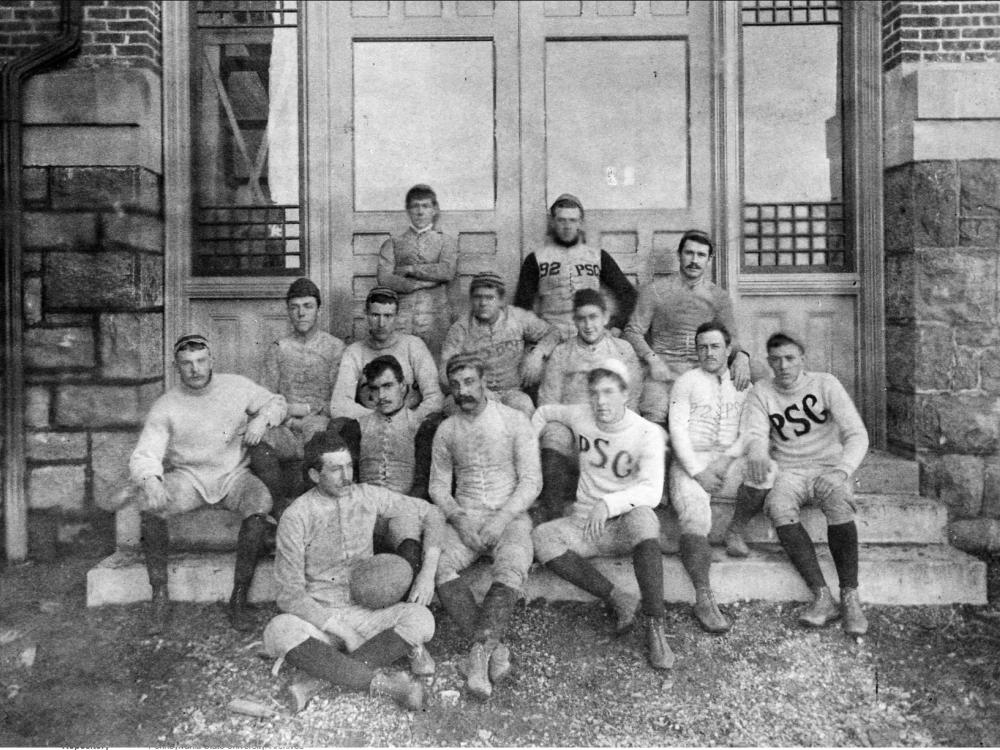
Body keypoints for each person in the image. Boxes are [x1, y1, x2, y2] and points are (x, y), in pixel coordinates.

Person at [262, 432, 444, 713]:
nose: (347, 476)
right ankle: (388, 686)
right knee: (279, 631)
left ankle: (316, 681)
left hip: (366, 611)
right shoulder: (296, 516)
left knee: (421, 619)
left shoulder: (367, 495)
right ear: (314, 474)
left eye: (349, 467)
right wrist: (343, 631)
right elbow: (290, 596)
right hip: (322, 616)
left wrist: (427, 573)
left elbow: (432, 513)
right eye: (336, 469)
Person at [129, 334, 287, 633]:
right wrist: (150, 479)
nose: (195, 369)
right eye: (187, 364)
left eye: (201, 361)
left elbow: (277, 402)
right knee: (150, 506)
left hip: (234, 475)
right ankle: (159, 596)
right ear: (177, 367)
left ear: (211, 360)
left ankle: (239, 596)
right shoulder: (167, 405)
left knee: (259, 504)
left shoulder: (235, 386)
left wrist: (262, 419)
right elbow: (146, 452)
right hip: (190, 477)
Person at [531, 360, 673, 670]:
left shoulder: (646, 432)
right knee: (542, 538)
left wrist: (610, 504)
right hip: (585, 524)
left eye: (609, 392)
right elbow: (544, 413)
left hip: (623, 524)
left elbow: (651, 491)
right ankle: (617, 598)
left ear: (625, 393)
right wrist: (531, 441)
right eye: (594, 393)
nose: (601, 401)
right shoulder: (582, 414)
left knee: (646, 518)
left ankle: (655, 625)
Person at [742, 332, 870, 635]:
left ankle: (850, 597)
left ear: (803, 359)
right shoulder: (761, 391)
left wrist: (841, 471)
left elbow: (857, 434)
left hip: (828, 466)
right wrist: (758, 451)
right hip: (791, 470)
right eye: (776, 360)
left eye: (790, 358)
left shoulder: (825, 383)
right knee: (777, 505)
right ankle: (822, 596)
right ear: (769, 362)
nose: (783, 366)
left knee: (839, 501)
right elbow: (756, 433)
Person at [430, 354, 541, 699]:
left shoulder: (513, 420)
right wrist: (460, 519)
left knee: (511, 565)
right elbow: (438, 485)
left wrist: (503, 519)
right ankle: (494, 648)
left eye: (469, 382)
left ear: (484, 382)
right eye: (456, 385)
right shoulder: (447, 429)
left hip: (508, 516)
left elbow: (531, 482)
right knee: (439, 565)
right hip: (467, 518)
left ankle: (477, 657)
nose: (463, 391)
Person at [667, 321, 776, 634]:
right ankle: (704, 596)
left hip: (729, 459)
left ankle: (735, 530)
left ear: (729, 350)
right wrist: (699, 472)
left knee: (766, 470)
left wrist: (726, 462)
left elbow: (750, 431)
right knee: (694, 518)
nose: (708, 352)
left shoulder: (742, 382)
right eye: (702, 346)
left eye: (715, 346)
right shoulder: (686, 381)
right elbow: (677, 432)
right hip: (694, 461)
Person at [534, 288, 643, 522]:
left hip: (608, 424)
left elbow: (632, 399)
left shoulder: (622, 349)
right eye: (581, 318)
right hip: (571, 427)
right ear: (574, 320)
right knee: (553, 433)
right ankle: (553, 515)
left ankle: (614, 512)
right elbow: (548, 400)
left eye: (593, 317)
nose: (588, 325)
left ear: (605, 318)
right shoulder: (562, 352)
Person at [329, 354, 444, 575]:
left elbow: (423, 482)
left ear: (403, 387)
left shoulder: (421, 427)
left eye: (388, 386)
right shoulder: (356, 427)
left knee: (409, 550)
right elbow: (347, 478)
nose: (381, 395)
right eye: (375, 388)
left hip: (404, 507)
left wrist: (402, 508)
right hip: (363, 506)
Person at [623, 230, 751, 428]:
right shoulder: (655, 290)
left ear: (709, 259)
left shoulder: (718, 296)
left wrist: (742, 356)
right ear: (679, 255)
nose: (694, 260)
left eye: (701, 255)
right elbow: (632, 331)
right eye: (689, 253)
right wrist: (653, 360)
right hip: (664, 368)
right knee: (654, 414)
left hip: (702, 367)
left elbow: (731, 337)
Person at [250, 277, 345, 521]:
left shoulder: (335, 348)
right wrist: (288, 418)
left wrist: (312, 414)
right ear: (288, 312)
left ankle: (313, 515)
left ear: (318, 309)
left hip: (320, 423)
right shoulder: (279, 348)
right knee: (258, 444)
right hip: (285, 425)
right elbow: (266, 396)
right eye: (294, 307)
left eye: (307, 306)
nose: (301, 313)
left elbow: (339, 397)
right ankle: (280, 507)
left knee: (324, 447)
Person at [514, 193, 637, 340]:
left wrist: (617, 328)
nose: (567, 226)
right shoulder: (536, 258)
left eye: (573, 220)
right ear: (553, 222)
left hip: (592, 335)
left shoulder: (597, 256)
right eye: (561, 220)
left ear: (580, 223)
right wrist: (539, 335)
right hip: (551, 335)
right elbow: (521, 307)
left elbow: (629, 294)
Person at [439, 271, 561, 416]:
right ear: (471, 300)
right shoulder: (460, 328)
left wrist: (538, 354)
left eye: (490, 298)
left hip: (511, 391)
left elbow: (553, 332)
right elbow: (443, 372)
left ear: (501, 300)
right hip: (474, 392)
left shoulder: (517, 317)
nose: (483, 303)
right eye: (478, 297)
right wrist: (475, 388)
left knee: (524, 408)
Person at [330, 287, 443, 421]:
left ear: (397, 316)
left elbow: (435, 397)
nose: (381, 323)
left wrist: (409, 420)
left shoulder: (413, 345)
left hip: (410, 422)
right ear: (366, 315)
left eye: (388, 316)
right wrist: (378, 420)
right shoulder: (354, 352)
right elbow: (338, 405)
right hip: (368, 423)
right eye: (375, 315)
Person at [376, 184, 458, 358]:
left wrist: (411, 269)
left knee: (437, 363)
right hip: (403, 316)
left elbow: (447, 271)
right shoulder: (393, 242)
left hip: (437, 315)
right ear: (408, 210)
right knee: (400, 362)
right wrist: (413, 284)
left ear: (434, 210)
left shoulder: (446, 242)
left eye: (425, 206)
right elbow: (384, 278)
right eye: (415, 206)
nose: (420, 212)